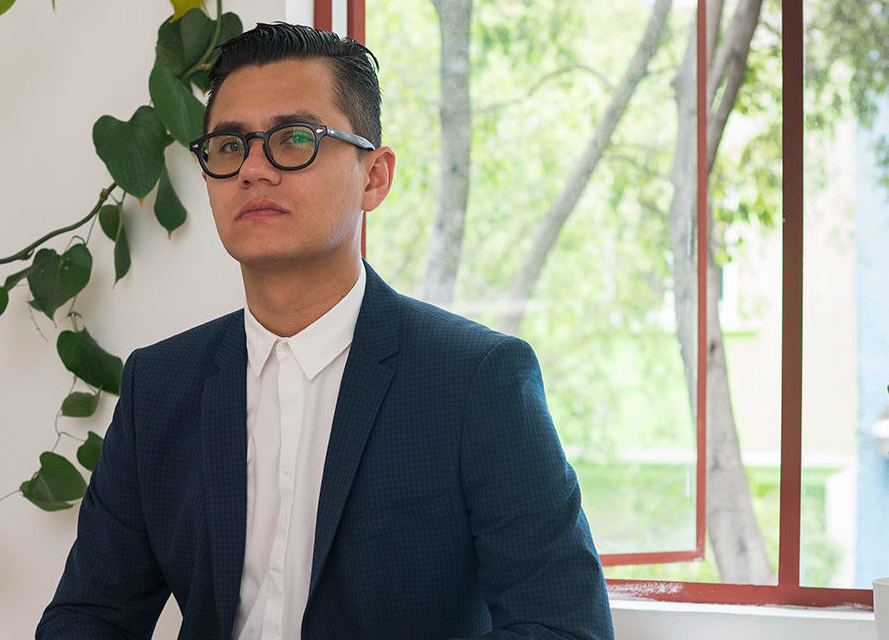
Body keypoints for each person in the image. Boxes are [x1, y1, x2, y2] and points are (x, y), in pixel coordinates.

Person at [37, 22, 613, 640]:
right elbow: (90, 616)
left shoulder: (477, 381)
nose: (254, 169)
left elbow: (563, 627)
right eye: (229, 147)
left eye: (294, 139)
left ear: (374, 177)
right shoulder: (160, 385)